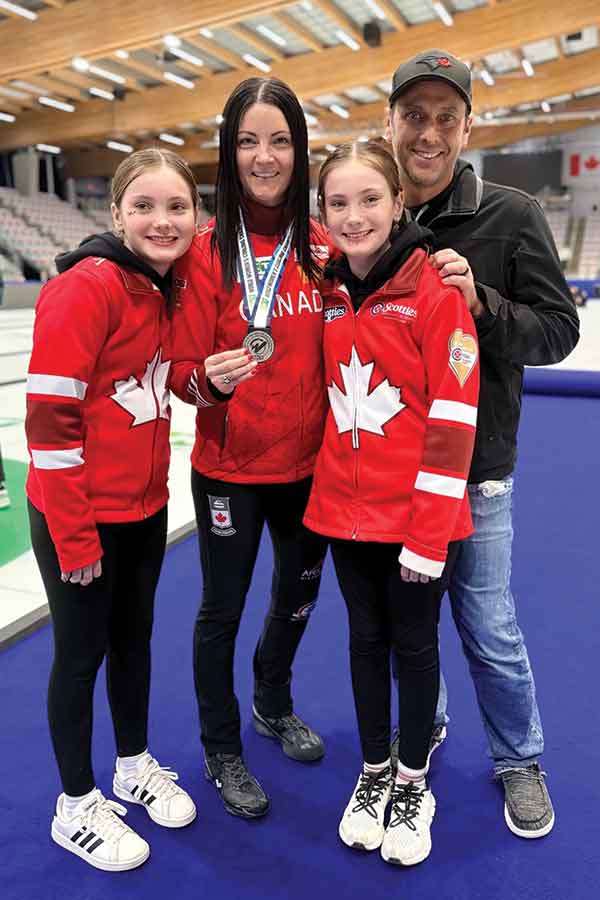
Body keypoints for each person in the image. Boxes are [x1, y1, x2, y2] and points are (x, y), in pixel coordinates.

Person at [384, 49, 580, 838]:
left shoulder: (513, 213)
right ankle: (421, 728)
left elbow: (560, 331)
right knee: (407, 625)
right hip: (391, 470)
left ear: (468, 127)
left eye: (445, 118)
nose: (427, 134)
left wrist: (483, 305)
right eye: (413, 116)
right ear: (389, 122)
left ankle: (519, 758)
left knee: (489, 628)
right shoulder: (366, 212)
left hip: (476, 471)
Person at [303, 140, 479, 865]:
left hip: (416, 522)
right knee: (364, 642)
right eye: (338, 203)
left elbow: (454, 420)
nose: (355, 216)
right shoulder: (327, 290)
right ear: (322, 213)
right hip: (346, 515)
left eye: (370, 199)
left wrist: (429, 535)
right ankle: (374, 769)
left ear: (399, 202)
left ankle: (412, 781)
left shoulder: (436, 293)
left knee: (415, 646)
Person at [25, 149, 198, 872]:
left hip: (143, 508)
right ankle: (75, 804)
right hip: (80, 515)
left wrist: (210, 384)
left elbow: (161, 382)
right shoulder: (84, 289)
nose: (162, 221)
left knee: (134, 642)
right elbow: (49, 424)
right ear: (117, 213)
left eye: (177, 207)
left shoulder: (165, 287)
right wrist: (74, 536)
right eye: (145, 206)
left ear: (195, 215)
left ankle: (131, 764)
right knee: (80, 654)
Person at [169, 77, 330, 820]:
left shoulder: (324, 247)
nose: (264, 157)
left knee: (297, 598)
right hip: (229, 470)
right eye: (247, 141)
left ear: (300, 151)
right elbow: (180, 374)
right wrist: (208, 381)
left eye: (280, 141)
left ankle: (272, 699)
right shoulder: (204, 252)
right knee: (222, 610)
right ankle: (220, 746)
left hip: (308, 469)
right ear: (228, 152)